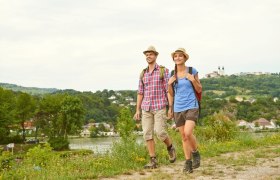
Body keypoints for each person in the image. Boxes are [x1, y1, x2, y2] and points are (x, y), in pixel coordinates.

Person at [133, 45, 176, 169]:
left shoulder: (163, 71)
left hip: (160, 106)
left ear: (156, 56)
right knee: (147, 133)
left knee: (160, 132)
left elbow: (168, 90)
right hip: (146, 107)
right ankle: (153, 160)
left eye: (151, 54)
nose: (148, 56)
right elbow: (140, 92)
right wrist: (137, 110)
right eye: (146, 54)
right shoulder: (143, 73)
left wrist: (171, 108)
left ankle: (170, 147)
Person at [167, 48, 202, 173]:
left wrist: (192, 79)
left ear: (185, 58)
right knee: (183, 136)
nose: (177, 58)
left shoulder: (192, 71)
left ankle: (195, 152)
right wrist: (169, 84)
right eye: (175, 56)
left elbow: (199, 89)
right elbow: (171, 93)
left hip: (191, 105)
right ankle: (188, 162)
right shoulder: (172, 74)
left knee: (188, 133)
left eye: (180, 56)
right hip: (178, 108)